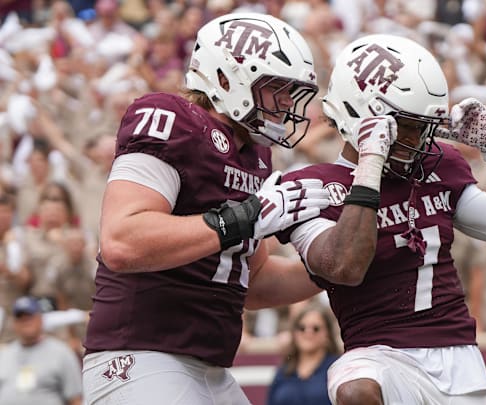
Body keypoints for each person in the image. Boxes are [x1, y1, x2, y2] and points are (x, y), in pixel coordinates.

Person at [276, 34, 486, 405]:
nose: (420, 140)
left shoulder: (435, 168)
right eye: (407, 125)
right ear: (361, 113)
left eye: (425, 126)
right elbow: (345, 267)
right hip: (379, 353)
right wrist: (370, 165)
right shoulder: (314, 186)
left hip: (458, 358)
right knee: (355, 387)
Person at [81, 13, 331, 405]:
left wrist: (331, 267)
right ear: (227, 79)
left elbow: (256, 279)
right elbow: (122, 240)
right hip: (142, 353)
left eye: (290, 90)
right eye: (276, 87)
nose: (286, 102)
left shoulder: (256, 153)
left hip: (209, 367)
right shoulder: (170, 118)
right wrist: (246, 216)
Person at [0, 295, 83, 405]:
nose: (26, 322)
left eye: (29, 316)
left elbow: (76, 399)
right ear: (14, 324)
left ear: (41, 319)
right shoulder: (4, 354)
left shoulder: (61, 352)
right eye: (21, 318)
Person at [267, 303, 341, 405]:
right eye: (302, 328)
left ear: (327, 334)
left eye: (315, 328)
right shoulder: (284, 371)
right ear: (294, 333)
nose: (308, 332)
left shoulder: (337, 369)